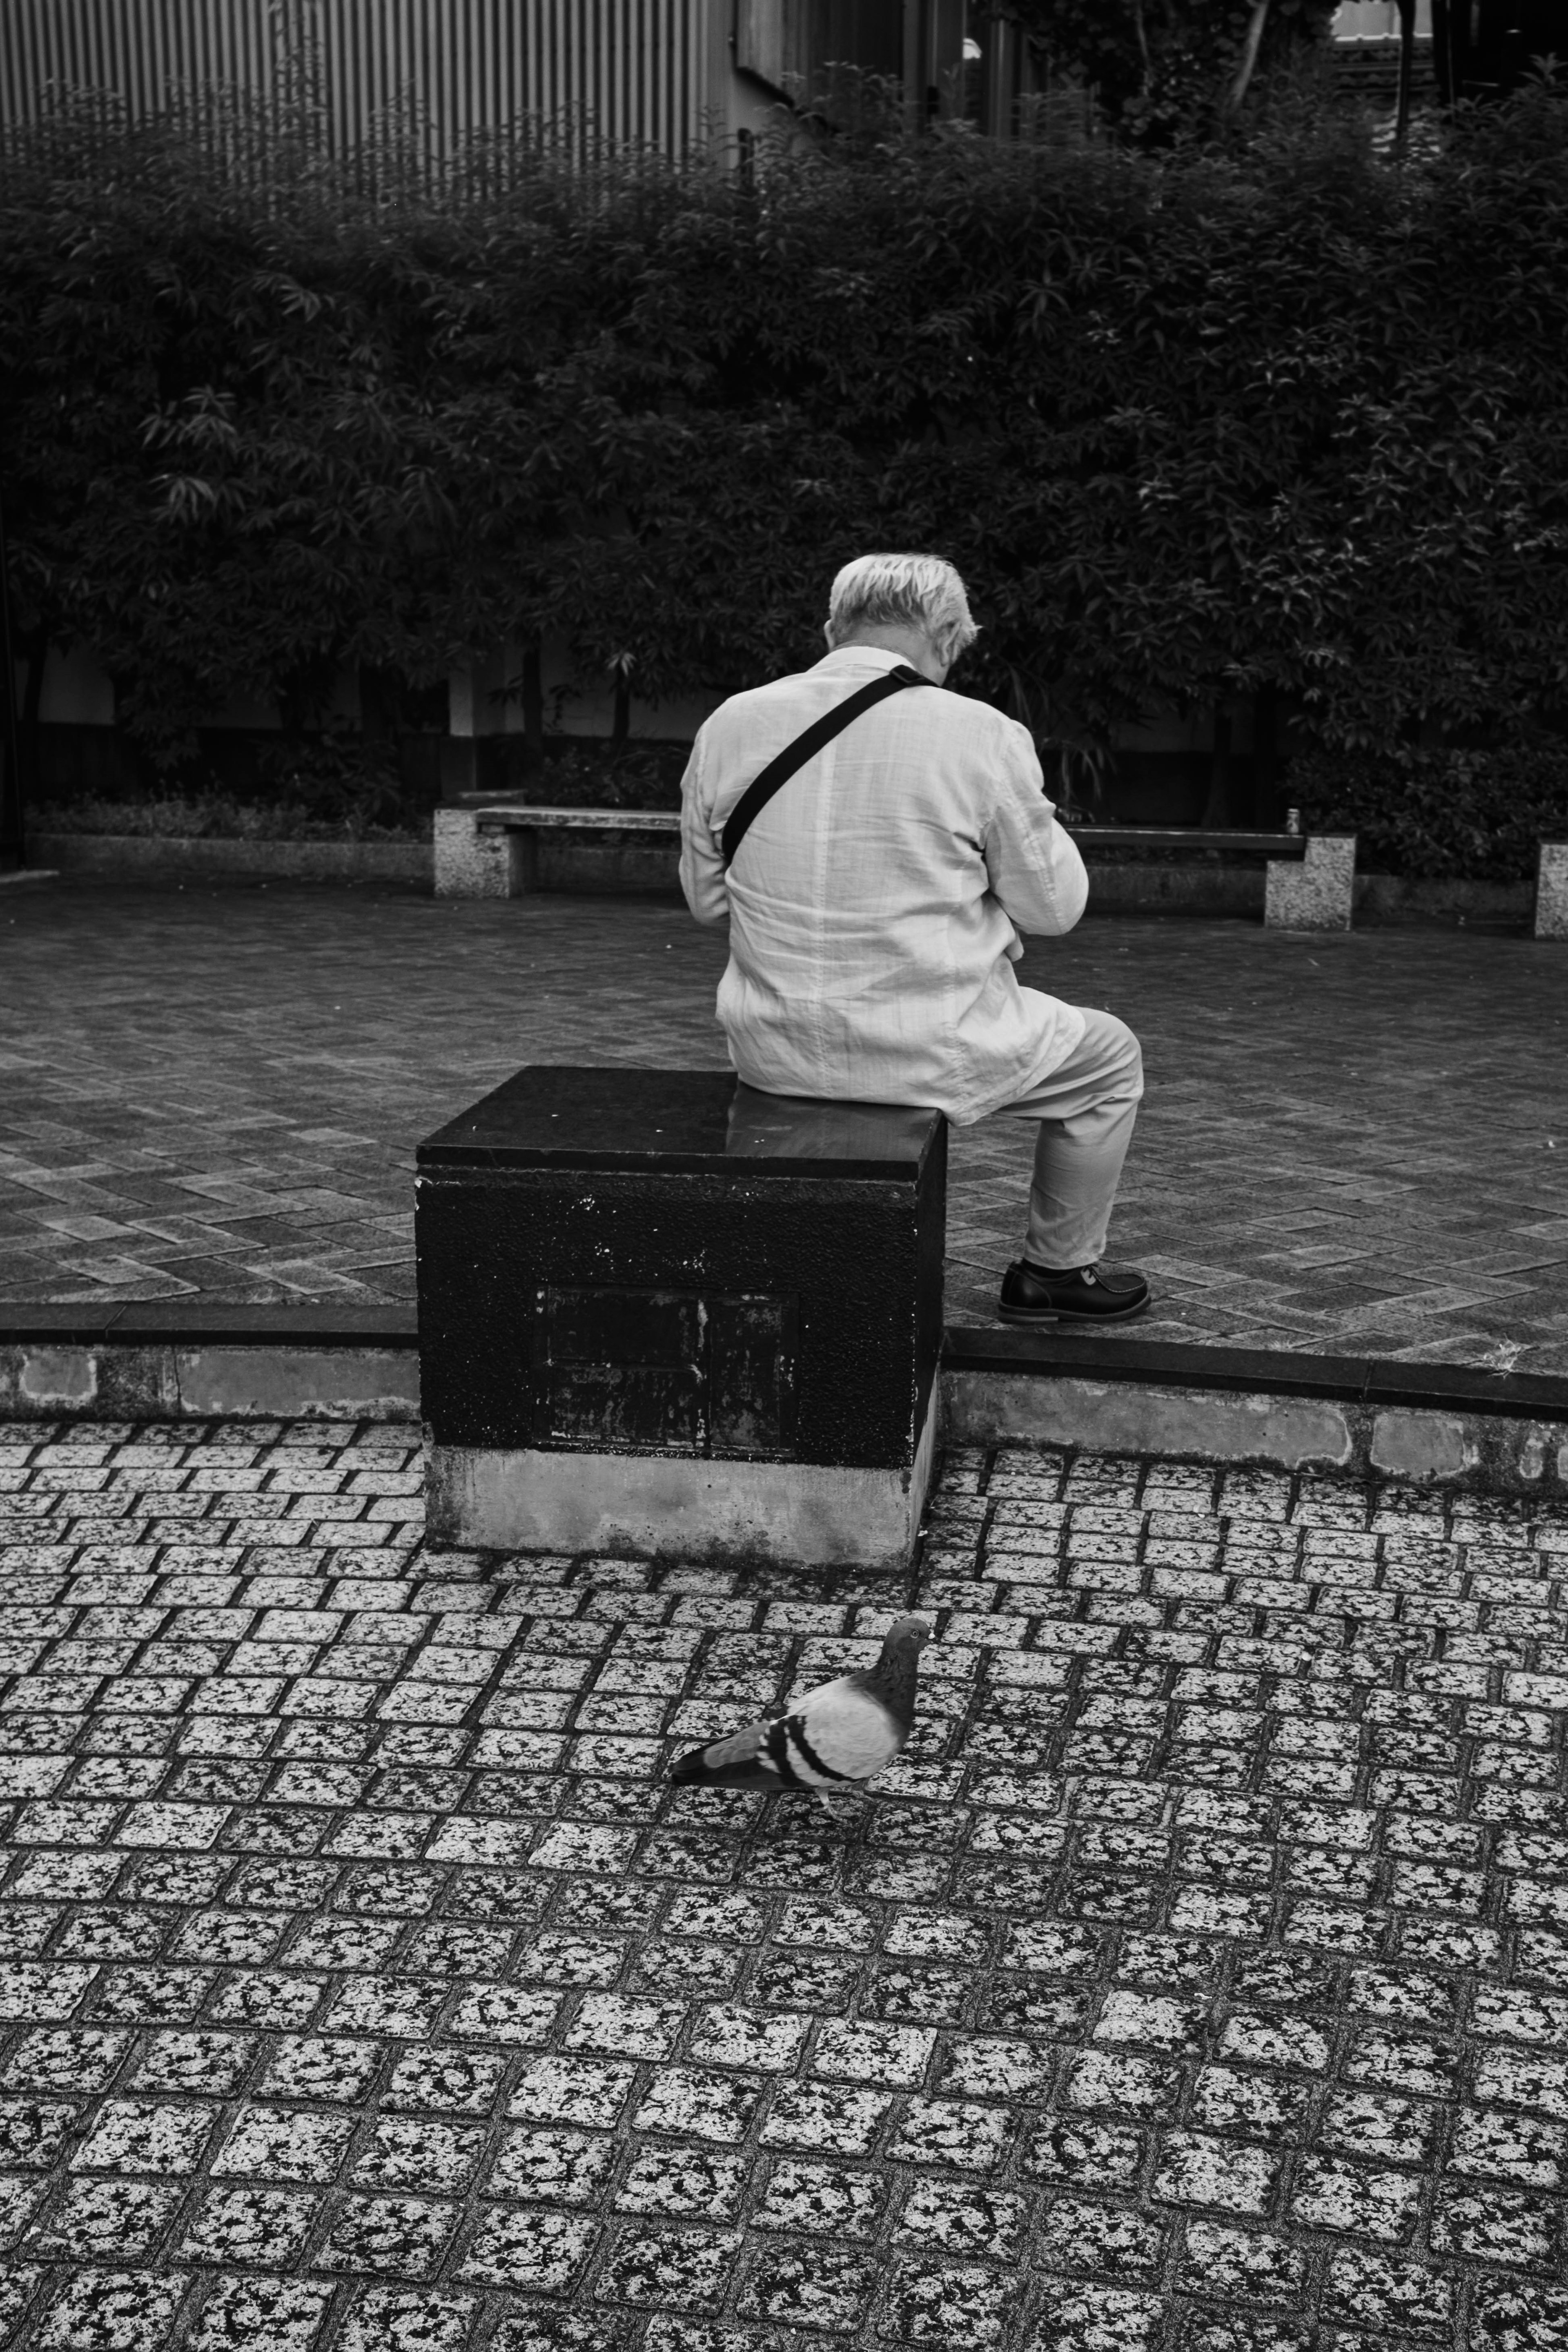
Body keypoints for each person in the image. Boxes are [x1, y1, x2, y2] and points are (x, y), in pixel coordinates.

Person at [678, 552, 1149, 1324]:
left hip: (771, 1047)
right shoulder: (981, 735)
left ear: (834, 629)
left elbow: (705, 901)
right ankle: (1055, 1273)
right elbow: (1055, 908)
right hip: (931, 1044)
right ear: (947, 634)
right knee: (1109, 1061)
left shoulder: (732, 722)